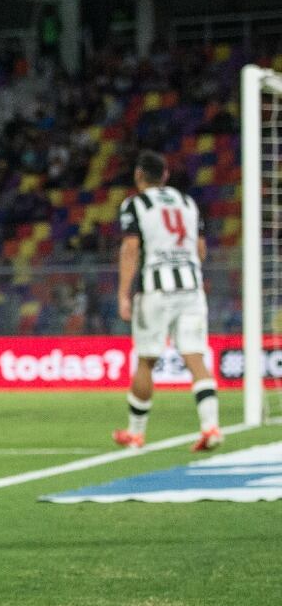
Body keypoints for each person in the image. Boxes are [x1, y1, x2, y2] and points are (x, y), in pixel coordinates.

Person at [113, 149, 221, 452]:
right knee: (195, 357)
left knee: (147, 360)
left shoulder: (134, 204)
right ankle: (210, 427)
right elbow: (200, 251)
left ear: (138, 176)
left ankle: (136, 433)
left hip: (155, 292)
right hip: (191, 288)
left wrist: (123, 294)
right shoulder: (187, 203)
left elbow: (131, 249)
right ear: (166, 176)